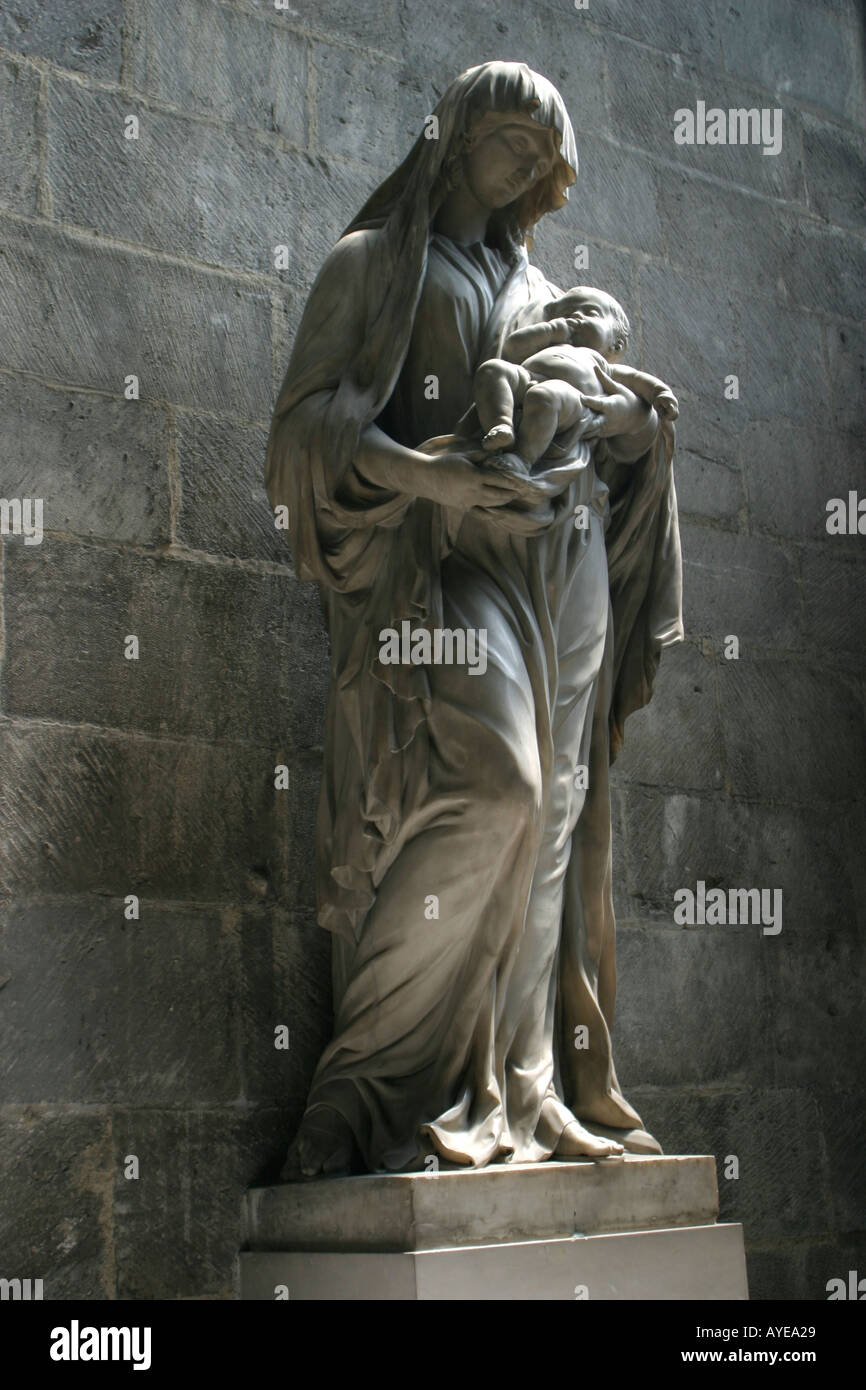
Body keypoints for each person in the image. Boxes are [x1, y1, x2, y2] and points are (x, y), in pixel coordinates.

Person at [265, 61, 683, 1178]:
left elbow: (600, 410)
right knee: (501, 786)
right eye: (511, 145)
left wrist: (635, 431)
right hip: (446, 569)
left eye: (542, 160)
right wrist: (434, 478)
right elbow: (300, 442)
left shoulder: (540, 288)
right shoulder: (373, 266)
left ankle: (524, 1092)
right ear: (453, 138)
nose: (527, 174)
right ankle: (361, 1093)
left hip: (569, 561)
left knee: (555, 833)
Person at [472, 285, 678, 470]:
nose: (575, 316)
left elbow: (635, 379)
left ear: (616, 345)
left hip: (568, 397)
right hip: (529, 376)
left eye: (590, 313)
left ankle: (523, 459)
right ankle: (501, 425)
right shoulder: (550, 341)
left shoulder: (601, 364)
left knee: (544, 396)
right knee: (493, 370)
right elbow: (512, 347)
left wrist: (659, 392)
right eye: (566, 314)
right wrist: (551, 331)